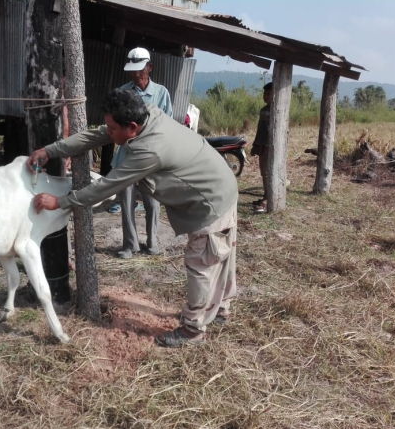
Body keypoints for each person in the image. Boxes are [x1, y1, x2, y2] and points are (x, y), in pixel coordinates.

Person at [27, 88, 238, 347]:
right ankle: (220, 310)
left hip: (210, 201)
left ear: (133, 128)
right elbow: (97, 135)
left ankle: (193, 330)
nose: (108, 132)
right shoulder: (148, 115)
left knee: (202, 263)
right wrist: (51, 150)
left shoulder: (150, 150)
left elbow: (107, 186)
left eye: (113, 128)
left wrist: (61, 202)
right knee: (221, 254)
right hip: (221, 183)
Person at [108, 47, 173, 259]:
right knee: (126, 201)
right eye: (132, 70)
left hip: (151, 156)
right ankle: (130, 245)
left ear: (149, 67)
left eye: (140, 69)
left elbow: (167, 125)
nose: (135, 74)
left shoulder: (161, 93)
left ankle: (152, 241)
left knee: (152, 200)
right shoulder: (122, 93)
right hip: (127, 155)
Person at [251, 82, 273, 213]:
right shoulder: (263, 110)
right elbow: (260, 129)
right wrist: (255, 145)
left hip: (271, 146)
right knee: (264, 172)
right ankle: (266, 195)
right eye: (265, 94)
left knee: (269, 173)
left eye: (268, 94)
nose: (265, 96)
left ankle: (269, 198)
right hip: (262, 145)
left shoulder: (277, 111)